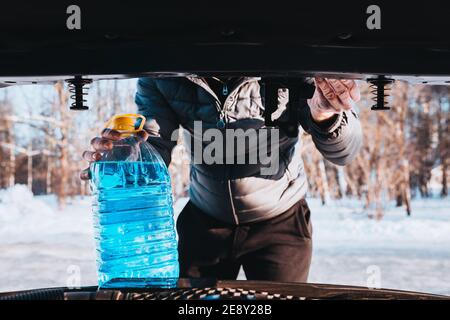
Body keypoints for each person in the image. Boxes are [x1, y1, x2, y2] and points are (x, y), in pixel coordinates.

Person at [81, 76, 362, 282]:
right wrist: (128, 153)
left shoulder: (291, 58)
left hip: (280, 224)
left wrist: (325, 114)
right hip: (205, 222)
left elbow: (345, 151)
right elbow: (155, 140)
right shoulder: (164, 69)